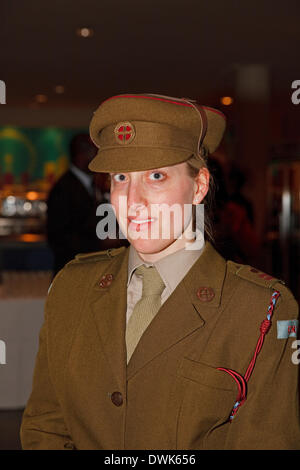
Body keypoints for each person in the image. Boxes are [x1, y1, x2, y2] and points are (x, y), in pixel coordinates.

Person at [21, 93, 300, 450]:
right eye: (121, 177)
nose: (132, 200)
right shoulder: (72, 287)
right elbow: (46, 426)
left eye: (155, 175)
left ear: (199, 185)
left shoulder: (262, 308)